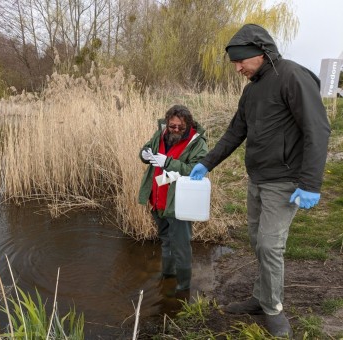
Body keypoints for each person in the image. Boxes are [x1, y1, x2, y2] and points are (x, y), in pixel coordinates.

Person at [189, 24, 331, 338]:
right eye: (235, 62)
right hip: (257, 180)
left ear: (261, 52)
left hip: (285, 180)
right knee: (257, 242)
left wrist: (310, 183)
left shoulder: (292, 77)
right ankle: (260, 296)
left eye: (241, 60)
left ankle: (274, 310)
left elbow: (317, 130)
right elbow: (235, 132)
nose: (238, 67)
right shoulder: (252, 89)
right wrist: (206, 163)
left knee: (269, 246)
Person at [138, 105, 208, 297]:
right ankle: (168, 276)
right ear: (167, 123)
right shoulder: (161, 133)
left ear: (189, 125)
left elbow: (196, 170)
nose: (176, 130)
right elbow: (147, 149)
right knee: (166, 240)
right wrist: (144, 154)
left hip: (179, 202)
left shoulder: (197, 142)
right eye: (172, 126)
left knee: (181, 246)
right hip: (158, 199)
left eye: (180, 127)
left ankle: (183, 287)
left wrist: (167, 162)